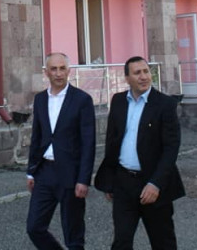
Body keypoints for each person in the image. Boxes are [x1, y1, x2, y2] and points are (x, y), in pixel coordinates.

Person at [94, 55, 185, 250]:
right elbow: (112, 142)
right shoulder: (118, 101)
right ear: (127, 78)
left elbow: (171, 148)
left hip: (153, 184)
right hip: (124, 183)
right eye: (137, 73)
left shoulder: (165, 104)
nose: (143, 77)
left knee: (163, 243)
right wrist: (110, 180)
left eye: (146, 71)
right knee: (121, 241)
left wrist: (155, 183)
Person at [26, 52, 96, 249]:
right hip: (44, 172)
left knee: (73, 235)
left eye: (62, 68)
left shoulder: (82, 100)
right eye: (54, 69)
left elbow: (88, 143)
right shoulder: (40, 99)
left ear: (69, 71)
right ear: (46, 72)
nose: (58, 73)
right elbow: (37, 137)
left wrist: (84, 179)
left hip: (71, 173)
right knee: (34, 227)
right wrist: (31, 171)